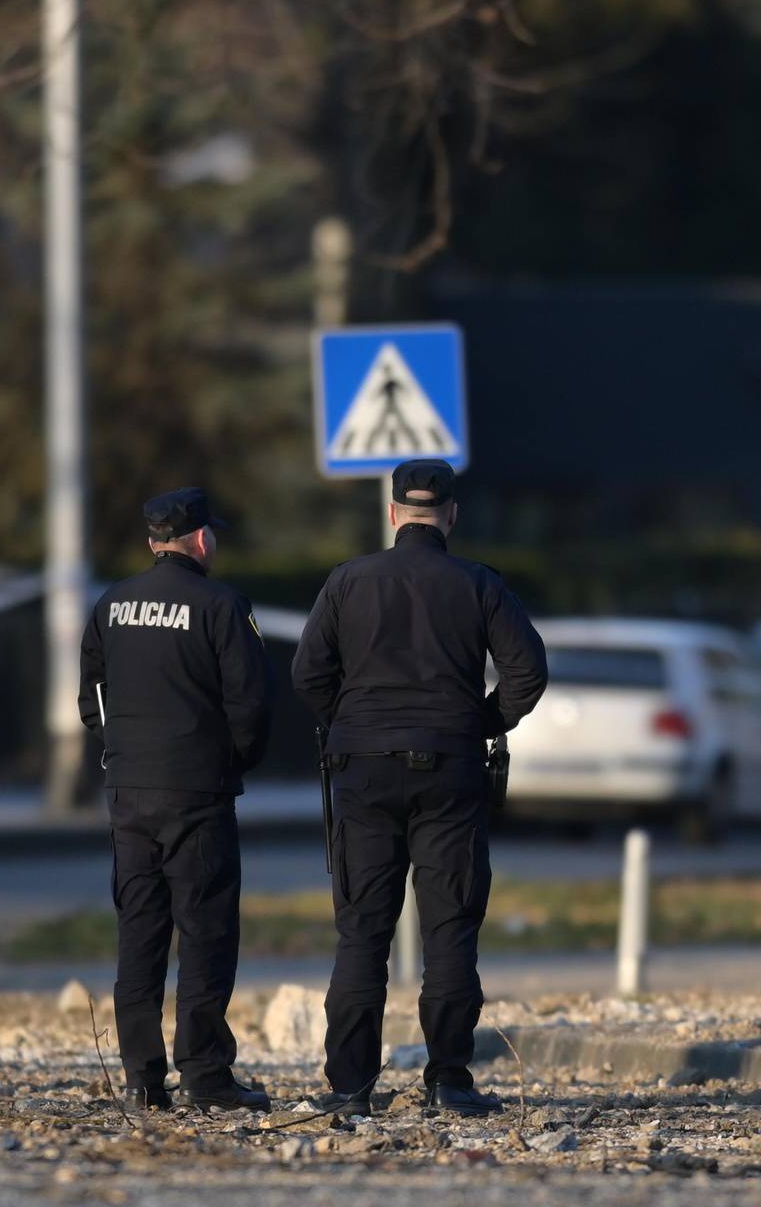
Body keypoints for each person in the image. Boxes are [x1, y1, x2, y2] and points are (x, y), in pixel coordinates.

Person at [292, 459, 548, 1117]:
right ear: (452, 514)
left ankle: (349, 1089)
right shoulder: (478, 584)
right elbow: (528, 671)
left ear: (393, 512)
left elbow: (307, 673)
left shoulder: (348, 581)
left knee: (361, 935)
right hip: (452, 768)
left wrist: (349, 723)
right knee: (451, 932)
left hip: (363, 770)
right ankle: (451, 1082)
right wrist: (481, 721)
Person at [77, 487, 274, 1112]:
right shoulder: (221, 604)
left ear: (151, 542)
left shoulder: (111, 604)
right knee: (206, 933)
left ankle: (141, 1080)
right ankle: (205, 1074)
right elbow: (252, 703)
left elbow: (93, 702)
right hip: (198, 792)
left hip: (129, 791)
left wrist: (126, 750)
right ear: (199, 539)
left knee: (139, 934)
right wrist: (231, 759)